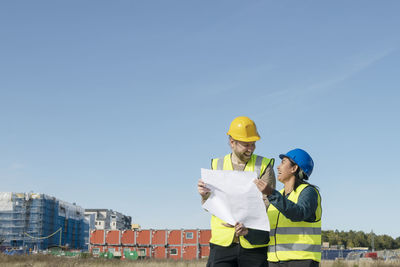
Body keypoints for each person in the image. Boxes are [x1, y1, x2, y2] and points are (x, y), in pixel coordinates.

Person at [198, 116, 276, 267]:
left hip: (254, 243)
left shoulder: (264, 166)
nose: (251, 149)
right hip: (222, 244)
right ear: (232, 142)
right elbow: (211, 204)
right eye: (246, 145)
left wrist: (245, 222)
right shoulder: (217, 164)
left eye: (253, 144)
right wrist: (204, 195)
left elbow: (267, 202)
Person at [255, 148, 322, 267]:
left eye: (283, 162)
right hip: (274, 261)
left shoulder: (309, 192)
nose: (278, 167)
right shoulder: (277, 196)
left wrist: (271, 193)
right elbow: (267, 231)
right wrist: (247, 232)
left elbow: (299, 213)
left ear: (294, 168)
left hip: (302, 261)